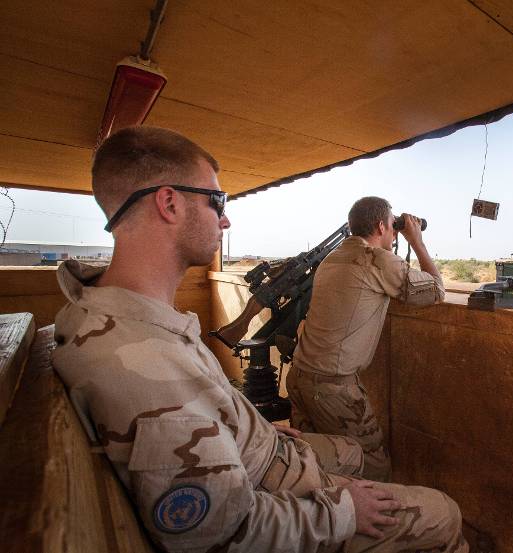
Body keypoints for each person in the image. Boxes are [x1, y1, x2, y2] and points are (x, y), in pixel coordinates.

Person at [51, 126, 467, 553]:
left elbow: (209, 420)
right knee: (444, 513)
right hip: (280, 492)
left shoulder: (126, 319)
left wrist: (261, 431)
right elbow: (222, 531)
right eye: (217, 201)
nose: (226, 218)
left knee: (354, 454)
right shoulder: (140, 362)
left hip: (270, 453)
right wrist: (345, 510)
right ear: (169, 203)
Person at [288, 196, 445, 482]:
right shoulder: (376, 260)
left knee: (314, 464)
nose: (395, 232)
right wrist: (417, 241)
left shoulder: (332, 258)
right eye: (393, 226)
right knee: (372, 467)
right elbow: (436, 290)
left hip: (300, 376)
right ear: (381, 226)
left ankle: (324, 519)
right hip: (332, 390)